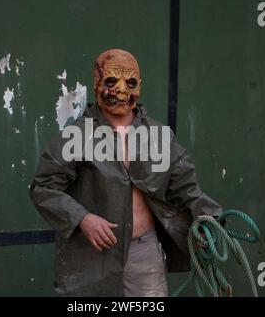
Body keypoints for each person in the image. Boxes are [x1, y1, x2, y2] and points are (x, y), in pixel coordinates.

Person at [29, 49, 222, 296]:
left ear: (139, 87)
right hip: (91, 254)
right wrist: (82, 218)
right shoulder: (77, 135)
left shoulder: (159, 136)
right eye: (111, 82)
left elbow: (186, 188)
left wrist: (211, 219)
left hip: (145, 252)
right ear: (97, 83)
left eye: (130, 83)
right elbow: (43, 188)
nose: (121, 90)